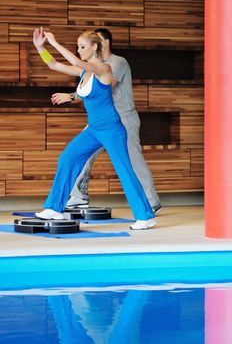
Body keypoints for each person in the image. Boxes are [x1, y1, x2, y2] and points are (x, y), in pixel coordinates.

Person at [33, 27, 156, 230]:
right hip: (94, 130)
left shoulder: (104, 69)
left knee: (124, 170)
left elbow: (75, 62)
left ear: (95, 47)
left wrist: (54, 43)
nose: (79, 50)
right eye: (78, 47)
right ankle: (55, 208)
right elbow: (53, 64)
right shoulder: (84, 73)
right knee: (68, 157)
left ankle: (145, 216)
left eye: (82, 46)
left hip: (112, 129)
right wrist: (40, 48)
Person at [61, 28, 161, 214]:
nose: (91, 45)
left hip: (124, 117)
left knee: (131, 160)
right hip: (101, 120)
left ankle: (151, 201)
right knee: (82, 156)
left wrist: (70, 95)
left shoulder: (117, 62)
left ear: (105, 43)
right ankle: (78, 197)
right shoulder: (93, 65)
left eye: (95, 41)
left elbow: (104, 87)